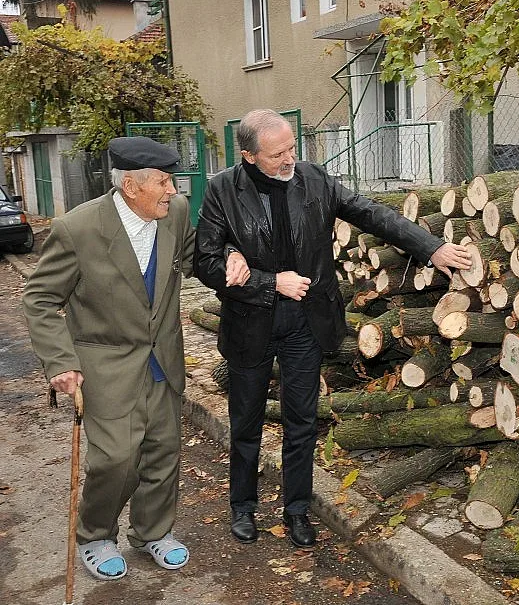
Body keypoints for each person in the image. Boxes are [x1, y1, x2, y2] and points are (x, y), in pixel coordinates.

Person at [194, 109, 472, 548]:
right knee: (246, 420)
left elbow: (371, 213)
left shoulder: (313, 178)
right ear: (248, 156)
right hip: (251, 321)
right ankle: (242, 506)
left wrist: (430, 247)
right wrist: (268, 281)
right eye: (277, 154)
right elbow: (204, 264)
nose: (290, 159)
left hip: (306, 320)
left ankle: (297, 511)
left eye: (292, 148)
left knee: (301, 421)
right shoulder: (221, 190)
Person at [23, 137, 249, 580]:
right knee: (115, 458)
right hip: (105, 365)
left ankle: (152, 532)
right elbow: (40, 297)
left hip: (163, 357)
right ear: (130, 185)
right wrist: (59, 361)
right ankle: (95, 534)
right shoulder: (78, 229)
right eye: (164, 182)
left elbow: (193, 256)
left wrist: (229, 256)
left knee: (163, 452)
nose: (173, 190)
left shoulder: (176, 213)